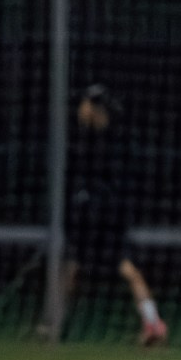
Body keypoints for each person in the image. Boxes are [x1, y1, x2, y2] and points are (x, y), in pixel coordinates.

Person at [59, 84, 167, 346]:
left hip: (107, 216)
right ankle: (55, 324)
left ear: (95, 108)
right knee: (74, 268)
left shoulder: (110, 140)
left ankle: (153, 324)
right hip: (95, 215)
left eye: (85, 105)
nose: (80, 111)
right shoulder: (89, 138)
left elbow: (117, 181)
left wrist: (93, 200)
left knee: (119, 267)